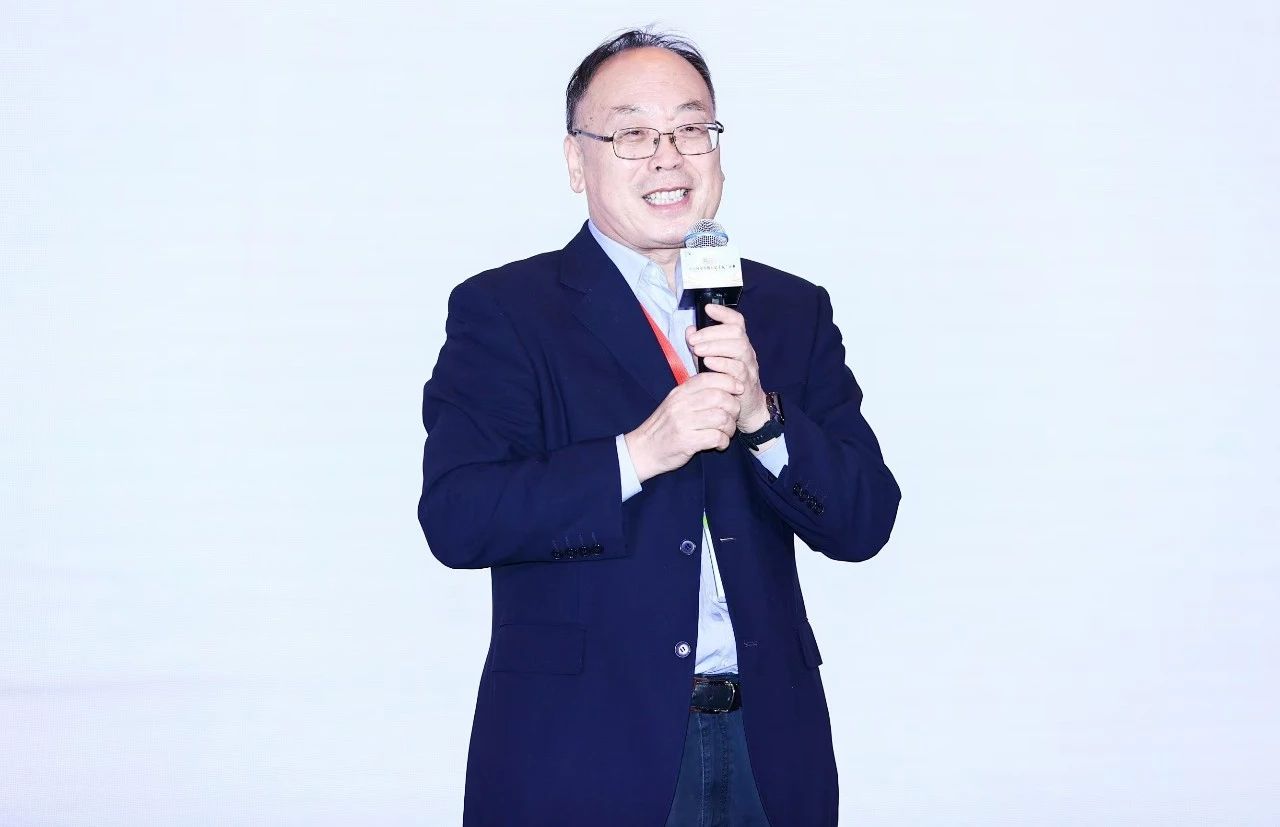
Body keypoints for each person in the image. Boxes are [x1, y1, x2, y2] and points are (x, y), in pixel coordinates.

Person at [418, 28, 901, 827]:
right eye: (633, 134)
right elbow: (459, 517)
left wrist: (763, 418)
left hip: (769, 748)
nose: (668, 156)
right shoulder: (506, 311)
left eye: (690, 128)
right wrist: (639, 453)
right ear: (577, 162)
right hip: (579, 751)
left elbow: (864, 521)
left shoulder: (789, 309)